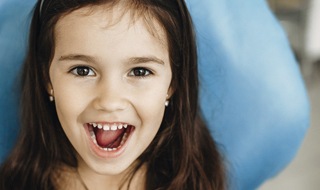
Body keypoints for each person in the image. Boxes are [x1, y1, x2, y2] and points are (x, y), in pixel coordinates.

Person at [0, 0, 225, 189]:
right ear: (47, 80)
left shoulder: (203, 180)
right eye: (82, 70)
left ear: (173, 83)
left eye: (139, 71)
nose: (109, 102)